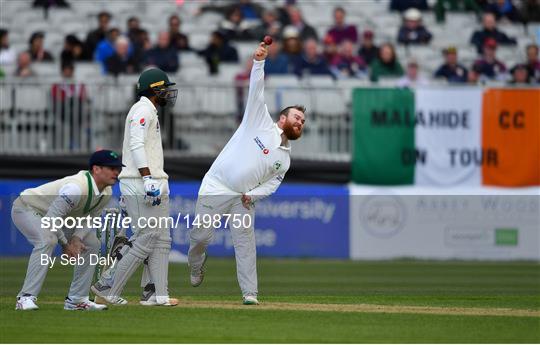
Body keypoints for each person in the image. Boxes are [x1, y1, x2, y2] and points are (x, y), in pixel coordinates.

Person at [188, 41, 305, 305]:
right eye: (297, 117)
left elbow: (272, 184)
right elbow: (257, 91)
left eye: (303, 121)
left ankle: (250, 293)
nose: (300, 122)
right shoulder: (258, 120)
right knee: (200, 237)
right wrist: (259, 62)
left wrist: (252, 196)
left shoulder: (284, 158)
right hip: (216, 186)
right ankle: (196, 265)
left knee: (244, 244)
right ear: (282, 119)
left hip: (243, 198)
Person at [91, 68, 179, 307]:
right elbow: (135, 143)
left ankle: (156, 294)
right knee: (146, 236)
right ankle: (108, 286)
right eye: (164, 89)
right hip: (141, 182)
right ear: (154, 90)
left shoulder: (149, 110)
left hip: (152, 181)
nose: (168, 94)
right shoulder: (142, 109)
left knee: (161, 239)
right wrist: (147, 178)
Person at [12, 149, 122, 310]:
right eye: (111, 168)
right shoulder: (76, 188)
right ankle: (25, 298)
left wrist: (77, 239)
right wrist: (65, 244)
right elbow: (50, 219)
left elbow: (90, 218)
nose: (116, 172)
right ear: (96, 169)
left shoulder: (106, 192)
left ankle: (76, 300)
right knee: (47, 240)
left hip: (57, 217)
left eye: (118, 168)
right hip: (28, 208)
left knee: (92, 243)